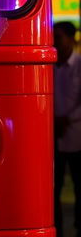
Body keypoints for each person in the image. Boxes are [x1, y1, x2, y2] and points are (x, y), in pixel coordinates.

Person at [54, 20, 81, 237]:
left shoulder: (79, 65)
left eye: (59, 37)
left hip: (76, 135)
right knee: (54, 188)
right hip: (54, 137)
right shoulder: (50, 66)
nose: (55, 42)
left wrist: (66, 118)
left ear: (72, 38)